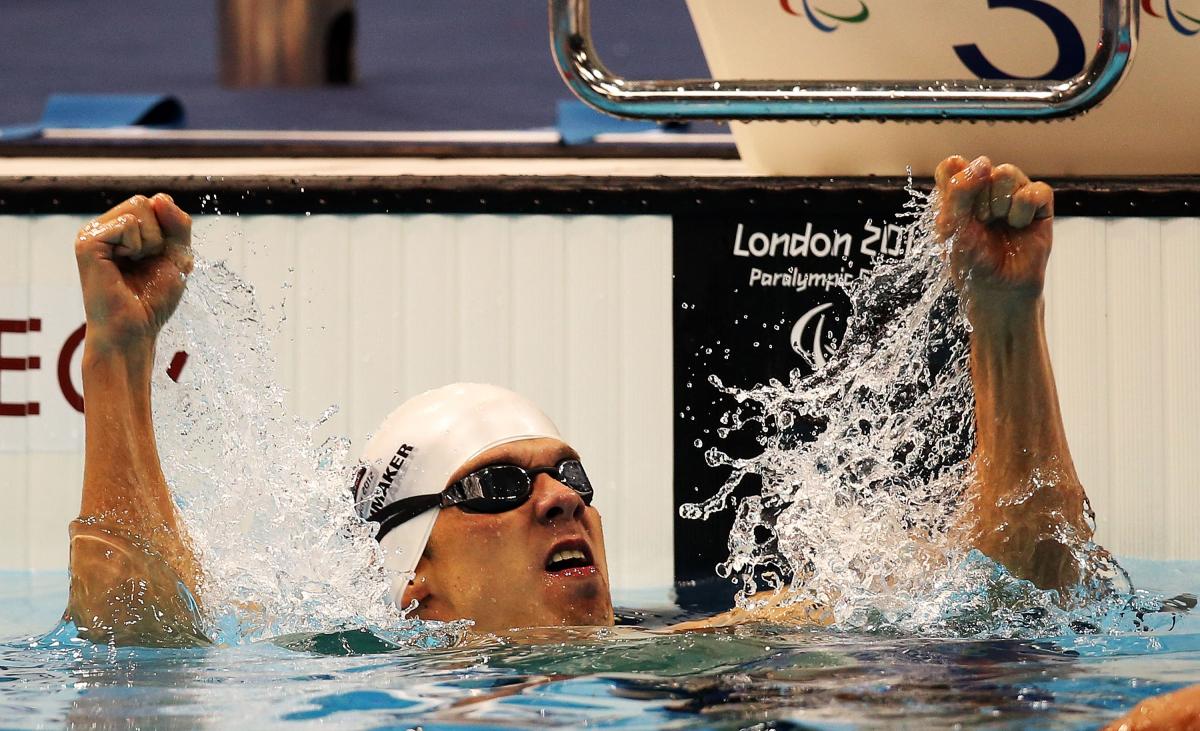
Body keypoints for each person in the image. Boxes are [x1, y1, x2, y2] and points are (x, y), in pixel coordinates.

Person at [64, 155, 1093, 646]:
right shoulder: (350, 677)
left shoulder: (702, 650)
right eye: (500, 483)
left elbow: (1014, 604)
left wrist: (1004, 318)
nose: (558, 499)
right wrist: (119, 355)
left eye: (567, 473)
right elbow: (135, 641)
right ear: (414, 584)